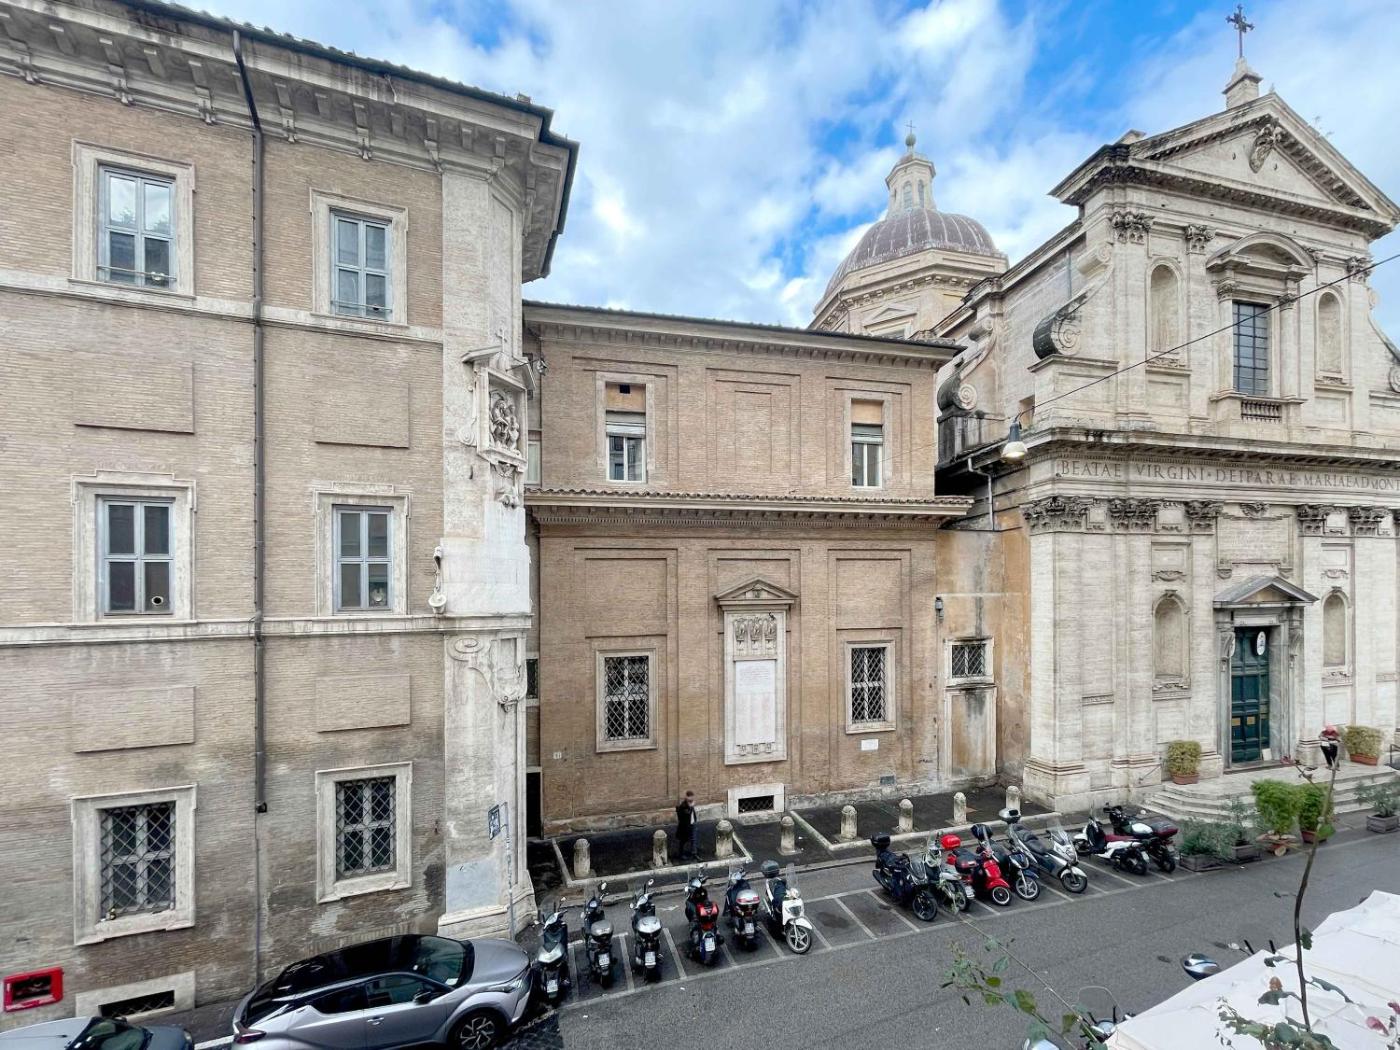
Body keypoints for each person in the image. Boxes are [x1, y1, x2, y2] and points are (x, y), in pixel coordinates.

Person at [676, 790, 698, 861]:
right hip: (685, 826)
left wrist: (695, 820)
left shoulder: (691, 803)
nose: (692, 799)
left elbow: (692, 814)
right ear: (687, 797)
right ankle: (681, 854)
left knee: (694, 839)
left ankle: (694, 853)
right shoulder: (683, 805)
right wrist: (691, 807)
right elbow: (686, 814)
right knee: (683, 840)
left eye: (692, 797)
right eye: (690, 797)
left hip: (692, 824)